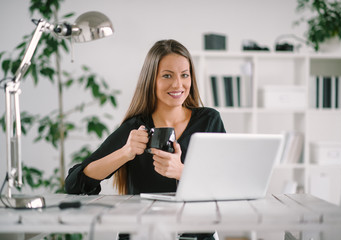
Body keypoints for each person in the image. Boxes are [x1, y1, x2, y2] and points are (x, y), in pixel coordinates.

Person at [65, 39, 225, 240]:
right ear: (151, 80)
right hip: (144, 233)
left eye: (185, 75)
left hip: (197, 234)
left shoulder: (209, 120)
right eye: (167, 75)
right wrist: (126, 152)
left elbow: (225, 183)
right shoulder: (136, 127)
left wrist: (182, 172)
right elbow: (74, 183)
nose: (178, 84)